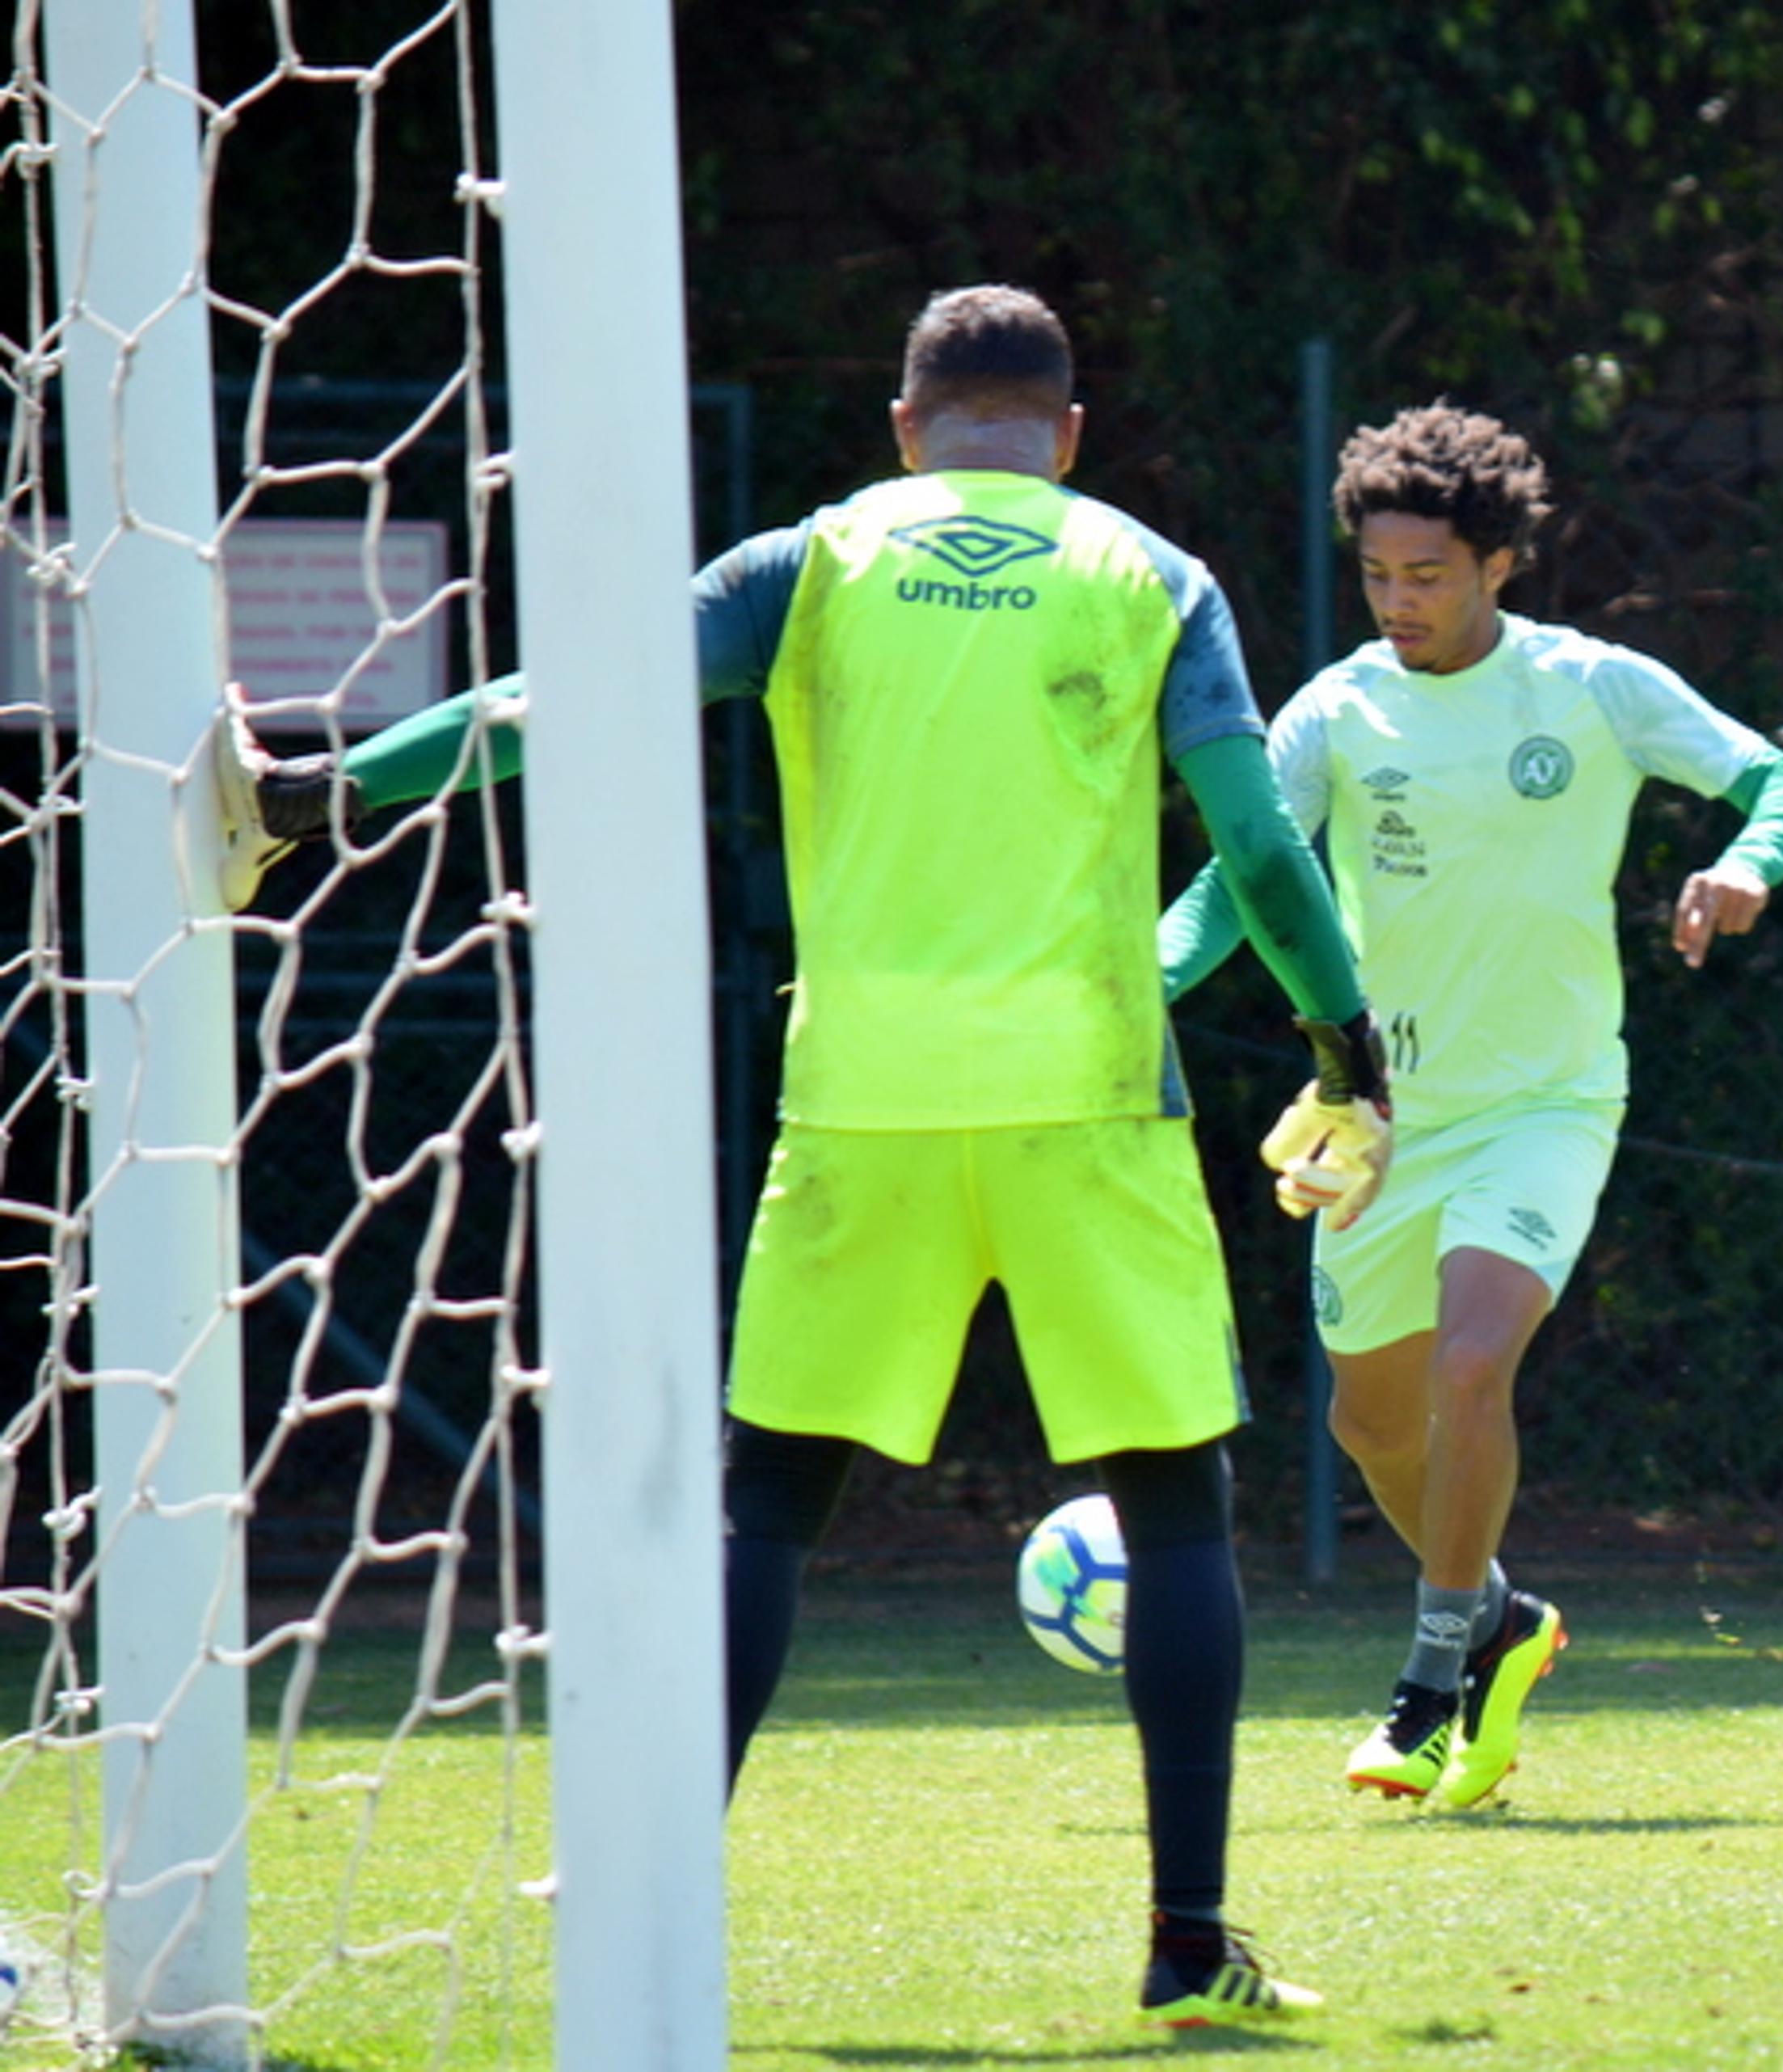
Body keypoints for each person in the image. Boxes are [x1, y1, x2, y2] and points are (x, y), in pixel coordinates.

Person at [221, 285, 1383, 2025]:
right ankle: (1188, 1943)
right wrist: (1343, 1039)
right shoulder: (1150, 573)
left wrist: (323, 792)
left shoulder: (813, 560)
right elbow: (1258, 843)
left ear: (904, 427)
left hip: (859, 1103)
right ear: (1067, 436)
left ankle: (647, 1922)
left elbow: (564, 700)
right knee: (1175, 1508)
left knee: (770, 1504)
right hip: (1086, 1105)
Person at [1159, 403, 1783, 1808]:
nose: (1399, 603)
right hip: (1383, 1115)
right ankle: (1503, 1617)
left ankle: (1430, 1679)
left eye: (1430, 576)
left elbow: (1780, 776)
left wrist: (1749, 864)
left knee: (1474, 1364)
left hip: (1550, 1100)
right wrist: (1144, 976)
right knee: (1372, 1426)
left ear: (1500, 563)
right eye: (1381, 577)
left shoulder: (1589, 689)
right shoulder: (1337, 710)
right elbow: (1246, 876)